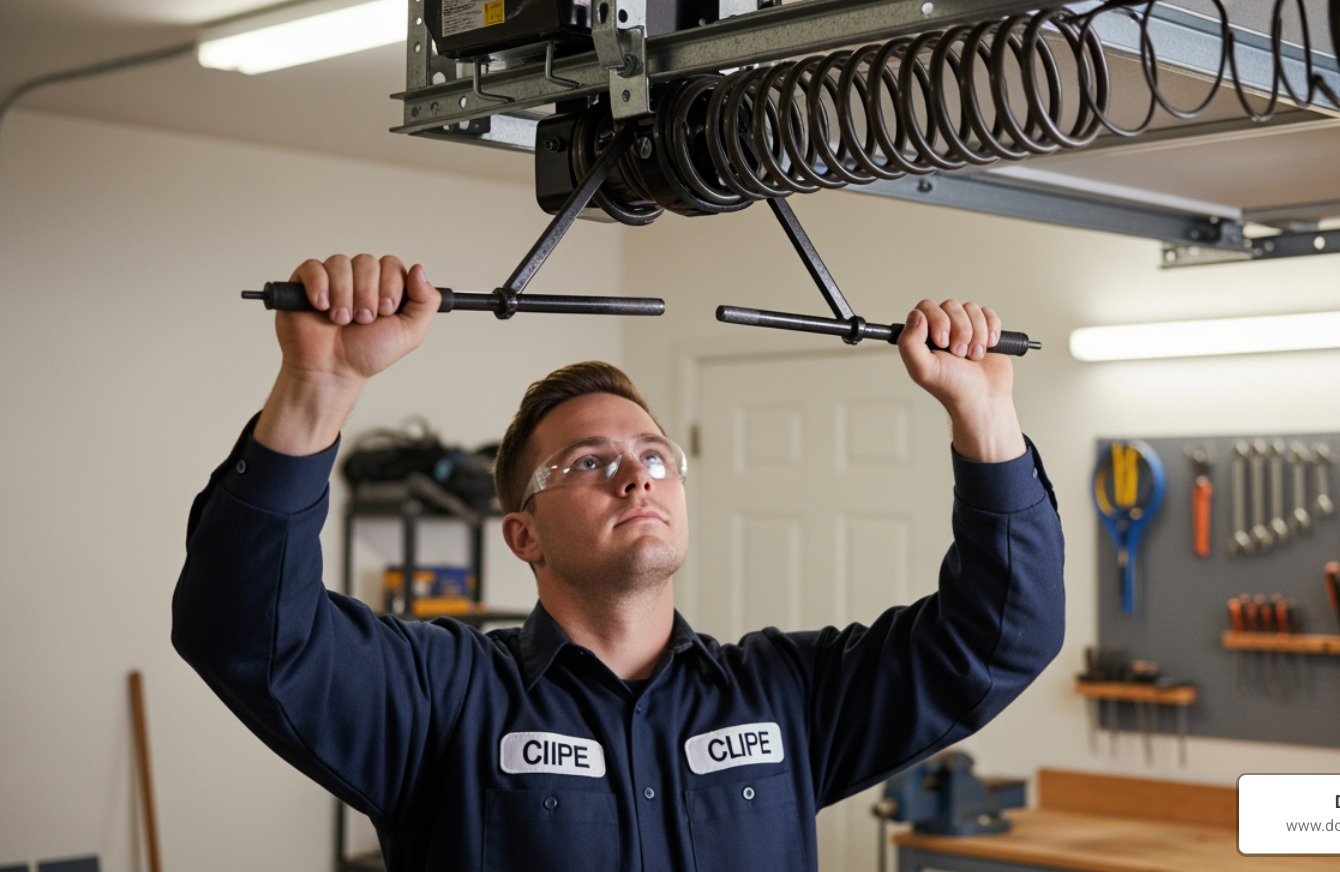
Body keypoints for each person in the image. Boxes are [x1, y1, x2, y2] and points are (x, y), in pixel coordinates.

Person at [173, 253, 1065, 871]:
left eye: (654, 454)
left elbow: (1000, 638)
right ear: (523, 535)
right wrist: (316, 390)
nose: (636, 473)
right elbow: (244, 630)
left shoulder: (789, 694)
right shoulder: (441, 701)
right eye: (589, 462)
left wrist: (986, 418)